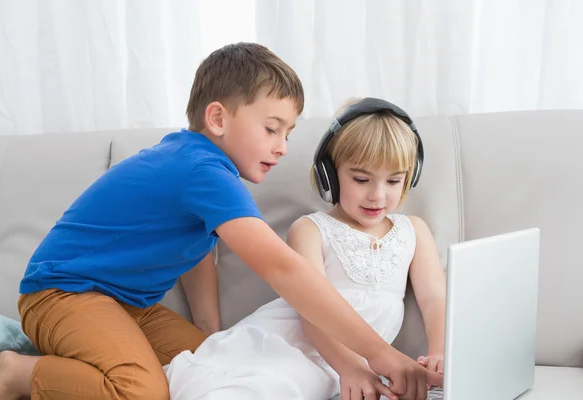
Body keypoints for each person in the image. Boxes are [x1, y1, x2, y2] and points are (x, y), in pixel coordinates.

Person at [0, 41, 440, 400]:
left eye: (289, 132)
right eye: (271, 128)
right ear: (218, 118)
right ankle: (13, 373)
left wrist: (209, 333)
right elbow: (283, 268)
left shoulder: (202, 171)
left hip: (127, 306)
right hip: (63, 294)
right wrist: (381, 354)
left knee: (209, 365)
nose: (282, 146)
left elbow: (197, 255)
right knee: (145, 391)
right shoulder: (201, 170)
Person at [164, 97, 447, 400]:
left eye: (393, 180)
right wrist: (349, 366)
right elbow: (310, 311)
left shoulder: (413, 231)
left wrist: (440, 352)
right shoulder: (310, 229)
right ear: (331, 174)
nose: (377, 195)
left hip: (341, 370)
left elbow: (434, 299)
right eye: (361, 179)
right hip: (285, 347)